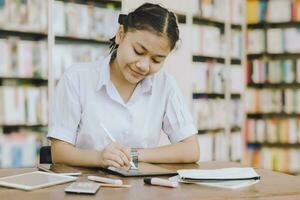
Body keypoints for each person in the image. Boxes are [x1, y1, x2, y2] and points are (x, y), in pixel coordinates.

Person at [48, 3, 199, 169]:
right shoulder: (76, 78)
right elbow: (59, 152)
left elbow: (191, 149)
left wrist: (133, 154)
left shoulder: (165, 84)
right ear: (121, 34)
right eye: (138, 51)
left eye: (157, 60)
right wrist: (99, 158)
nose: (144, 65)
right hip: (87, 186)